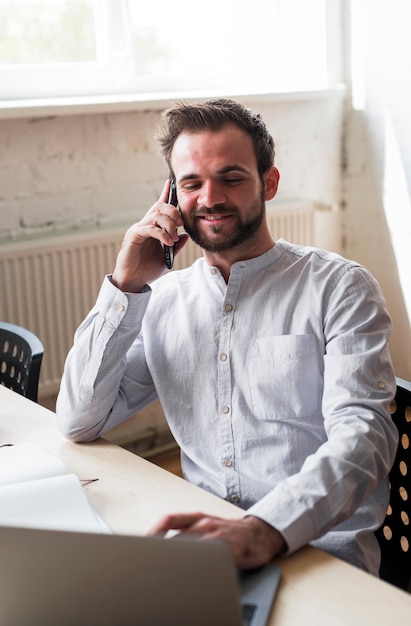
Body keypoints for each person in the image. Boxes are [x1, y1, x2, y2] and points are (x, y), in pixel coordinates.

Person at [57, 98, 398, 576]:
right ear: (173, 195)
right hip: (204, 546)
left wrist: (264, 528)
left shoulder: (339, 287)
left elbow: (364, 437)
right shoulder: (163, 299)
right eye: (192, 183)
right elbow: (78, 420)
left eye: (231, 178)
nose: (210, 197)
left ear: (269, 183)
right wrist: (126, 285)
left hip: (318, 554)